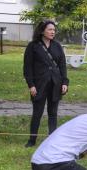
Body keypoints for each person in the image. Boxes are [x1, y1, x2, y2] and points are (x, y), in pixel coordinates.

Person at [23, 20, 69, 148]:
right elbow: (27, 68)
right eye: (50, 29)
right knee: (37, 113)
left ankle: (52, 140)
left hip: (56, 83)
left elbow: (62, 66)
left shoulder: (57, 46)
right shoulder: (33, 46)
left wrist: (65, 82)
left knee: (53, 113)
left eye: (54, 30)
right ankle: (32, 141)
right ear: (42, 31)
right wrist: (31, 85)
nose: (52, 32)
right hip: (39, 85)